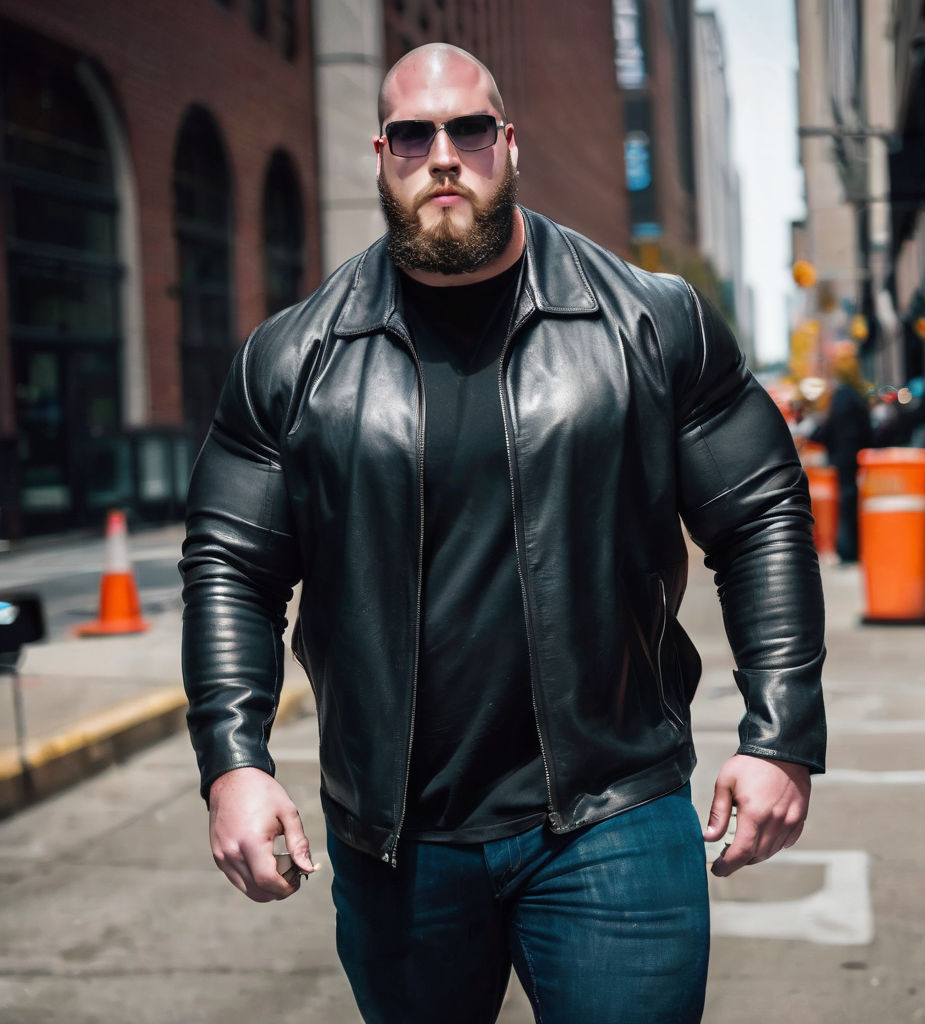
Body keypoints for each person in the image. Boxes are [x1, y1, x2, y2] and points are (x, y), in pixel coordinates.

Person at [181, 43, 826, 1024]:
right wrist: (234, 761)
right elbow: (231, 564)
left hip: (611, 813)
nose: (443, 155)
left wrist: (779, 737)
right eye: (413, 134)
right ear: (383, 153)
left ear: (509, 145)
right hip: (397, 841)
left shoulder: (647, 323)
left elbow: (761, 514)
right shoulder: (292, 358)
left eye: (468, 129)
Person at [812, 353, 873, 563]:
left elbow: (829, 428)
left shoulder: (839, 398)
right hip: (856, 457)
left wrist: (825, 443)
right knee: (853, 501)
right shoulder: (857, 397)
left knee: (845, 502)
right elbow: (867, 428)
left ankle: (847, 548)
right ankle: (855, 546)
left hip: (842, 458)